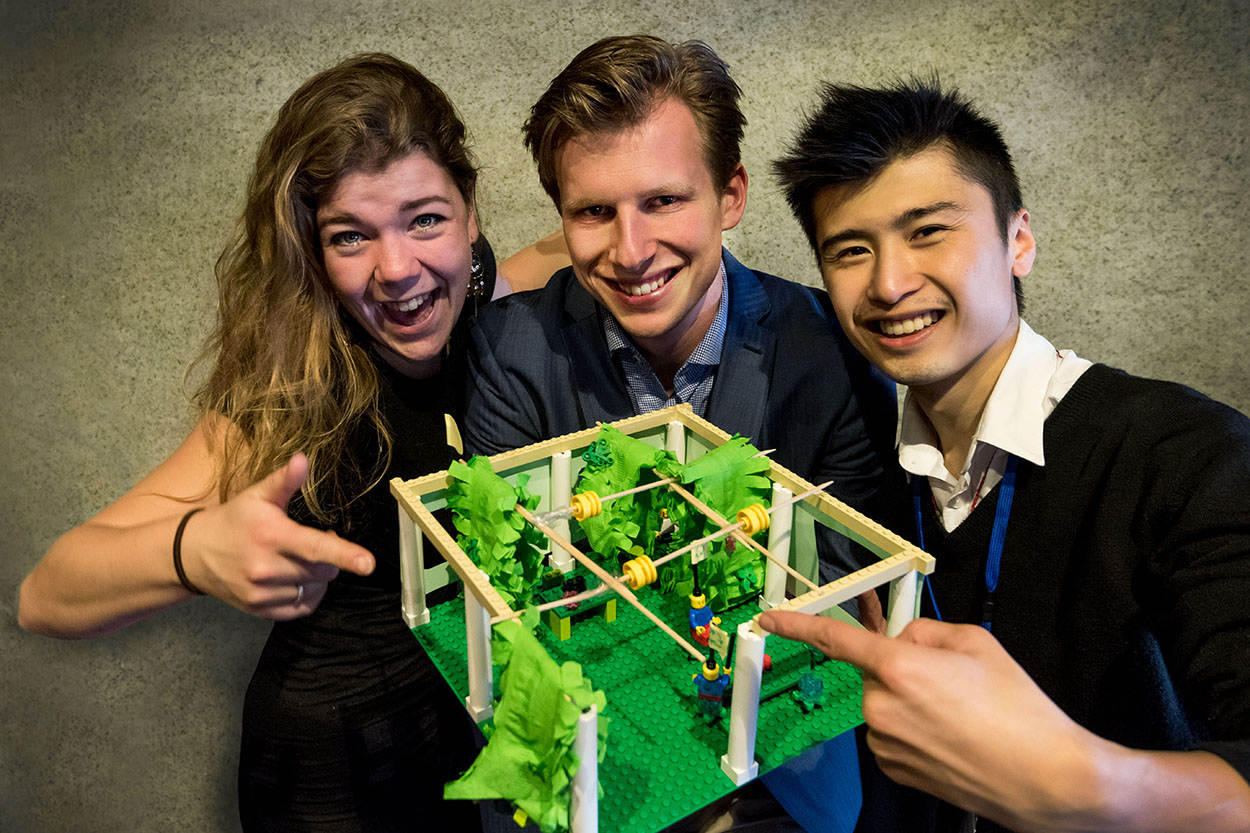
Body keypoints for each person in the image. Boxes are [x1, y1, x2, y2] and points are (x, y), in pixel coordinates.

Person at [18, 53, 494, 832]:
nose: (397, 269)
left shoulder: (484, 295)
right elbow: (44, 595)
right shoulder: (298, 390)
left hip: (455, 742)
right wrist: (195, 551)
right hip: (333, 775)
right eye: (350, 236)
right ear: (312, 250)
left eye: (425, 220)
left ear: (470, 212)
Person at [763, 78, 1250, 832]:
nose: (889, 284)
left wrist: (1077, 785)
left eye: (929, 231)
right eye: (851, 250)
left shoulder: (1185, 455)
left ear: (1018, 241)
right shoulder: (881, 485)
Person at [462, 34, 897, 832]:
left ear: (731, 196)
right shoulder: (509, 349)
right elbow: (512, 594)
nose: (631, 252)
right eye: (594, 211)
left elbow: (844, 594)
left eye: (663, 201)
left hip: (781, 775)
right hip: (589, 774)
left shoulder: (833, 351)